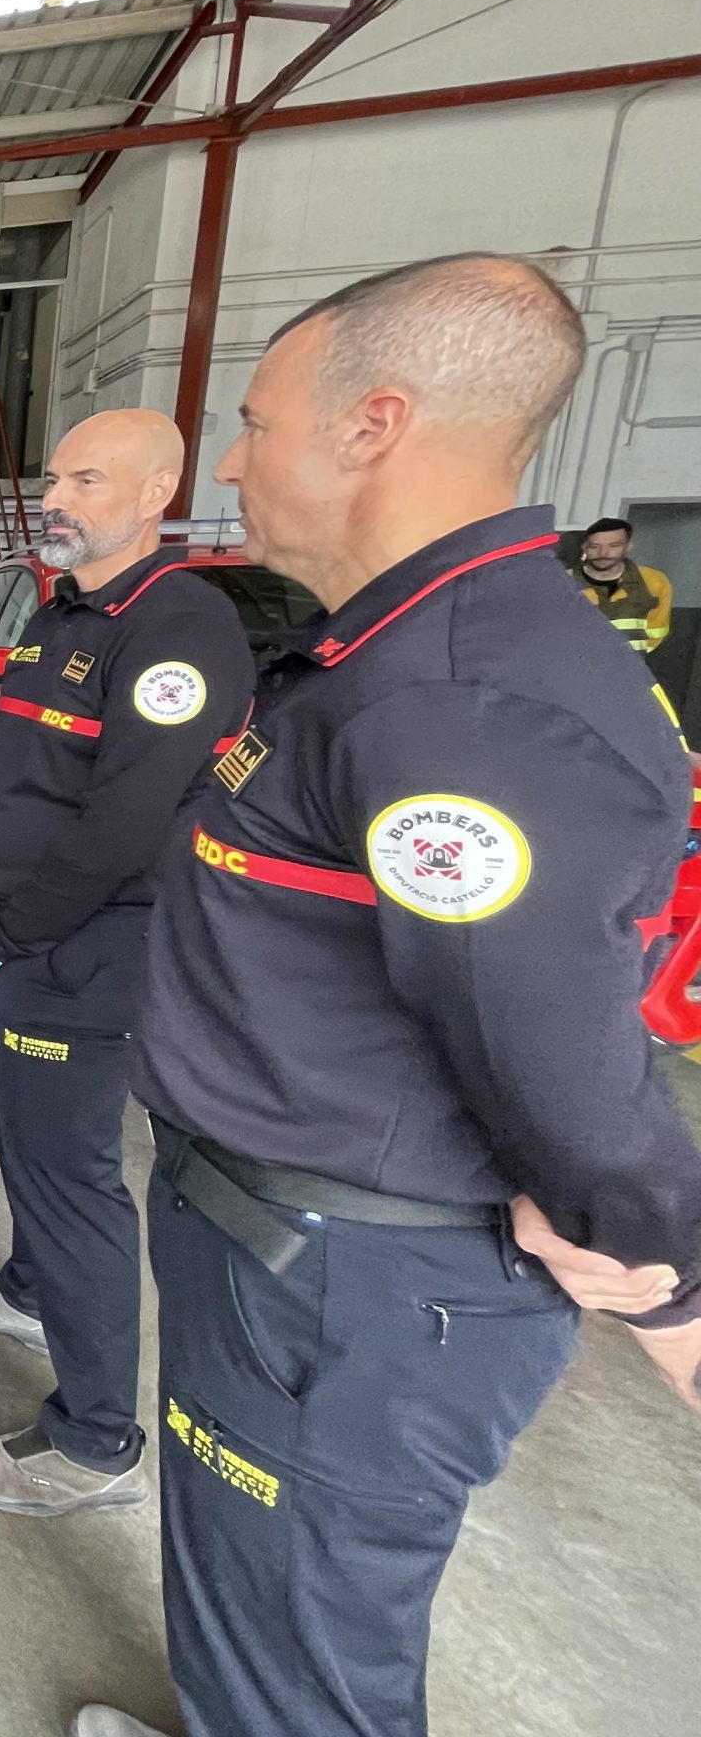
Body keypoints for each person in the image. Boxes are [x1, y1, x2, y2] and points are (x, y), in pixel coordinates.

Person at [79, 256, 701, 1737]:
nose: (227, 461)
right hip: (282, 1241)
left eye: (252, 422)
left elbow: (553, 1046)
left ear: (375, 424)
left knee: (306, 1645)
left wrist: (660, 1263)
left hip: (353, 1283)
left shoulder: (456, 704)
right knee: (247, 1585)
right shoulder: (380, 654)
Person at [0, 410, 252, 1518]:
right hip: (4, 938)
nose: (56, 497)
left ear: (157, 493)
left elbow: (124, 824)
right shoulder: (66, 615)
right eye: (55, 477)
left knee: (73, 1176)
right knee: (17, 1129)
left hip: (82, 955)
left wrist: (0, 934)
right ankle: (24, 1286)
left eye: (85, 478)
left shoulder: (178, 629)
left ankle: (96, 1439)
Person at [573, 514, 670, 654]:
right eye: (594, 546)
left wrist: (629, 660)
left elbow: (657, 631)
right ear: (584, 547)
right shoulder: (563, 581)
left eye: (614, 546)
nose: (603, 553)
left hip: (628, 670)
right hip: (576, 669)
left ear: (628, 546)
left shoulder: (653, 581)